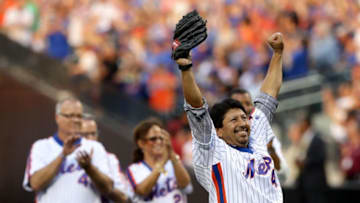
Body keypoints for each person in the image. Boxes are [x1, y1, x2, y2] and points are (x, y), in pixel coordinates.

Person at [175, 32, 284, 202]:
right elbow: (196, 107)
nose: (242, 122)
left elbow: (269, 95)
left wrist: (277, 54)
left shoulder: (256, 135)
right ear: (218, 131)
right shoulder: (213, 150)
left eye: (243, 117)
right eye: (233, 120)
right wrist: (186, 69)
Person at [23, 98, 113, 203]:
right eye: (70, 116)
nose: (75, 120)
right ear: (57, 118)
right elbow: (35, 183)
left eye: (79, 116)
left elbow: (108, 188)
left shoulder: (95, 147)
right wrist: (62, 155)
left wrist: (90, 168)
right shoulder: (42, 146)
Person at [229, 88, 290, 182]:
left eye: (248, 103)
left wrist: (271, 152)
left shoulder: (266, 135)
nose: (244, 108)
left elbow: (283, 175)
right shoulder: (221, 139)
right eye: (239, 104)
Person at [126, 118, 192, 202]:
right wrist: (161, 163)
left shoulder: (173, 164)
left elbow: (186, 185)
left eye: (161, 138)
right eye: (153, 139)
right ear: (141, 143)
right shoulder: (135, 169)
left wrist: (171, 153)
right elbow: (141, 191)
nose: (158, 142)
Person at [80, 116, 132, 202]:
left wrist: (100, 182)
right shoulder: (68, 156)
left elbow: (123, 197)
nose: (90, 138)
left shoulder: (110, 159)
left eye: (93, 134)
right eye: (85, 135)